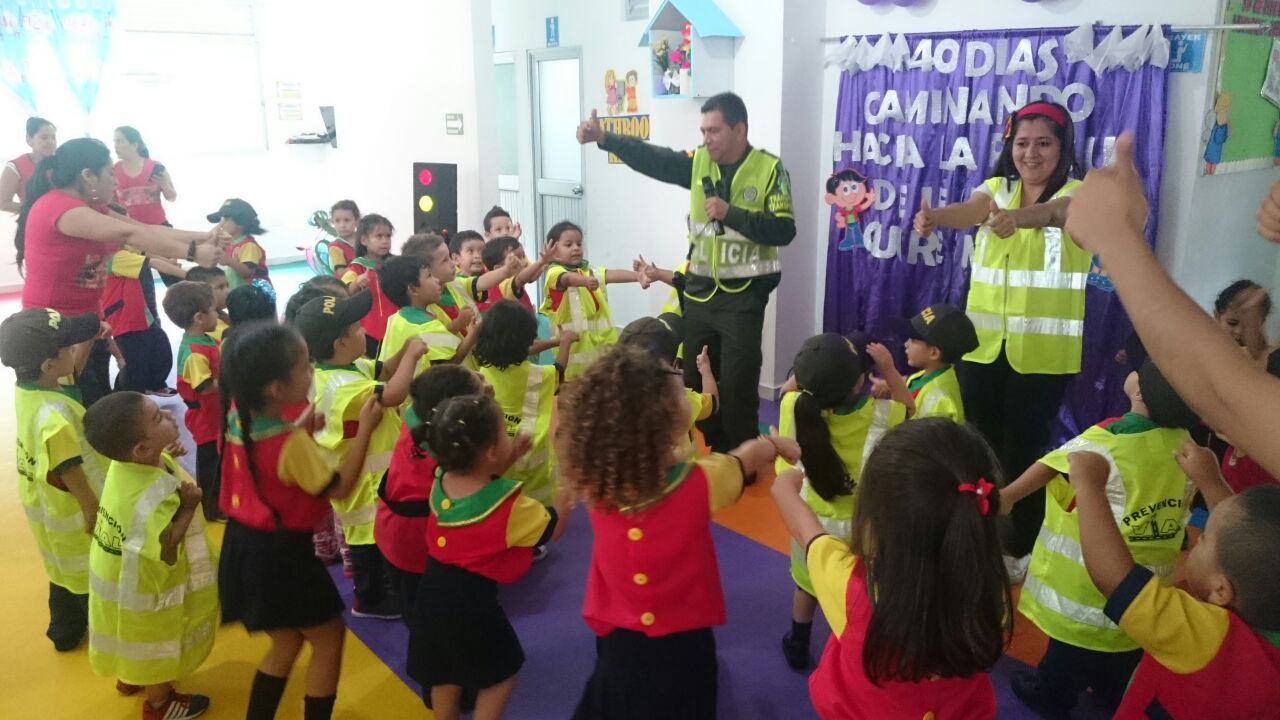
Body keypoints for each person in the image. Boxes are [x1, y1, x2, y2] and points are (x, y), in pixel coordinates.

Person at [557, 345, 801, 719]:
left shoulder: (596, 480)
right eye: (677, 387)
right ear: (666, 423)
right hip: (682, 642)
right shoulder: (701, 480)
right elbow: (751, 456)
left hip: (616, 637)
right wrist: (775, 444)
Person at [912, 100, 1087, 578]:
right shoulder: (995, 189)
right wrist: (934, 218)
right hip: (985, 348)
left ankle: (1019, 548)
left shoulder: (1080, 193)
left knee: (1026, 452)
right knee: (979, 444)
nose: (1031, 154)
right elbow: (970, 210)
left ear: (1062, 147)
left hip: (1045, 356)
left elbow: (1057, 213)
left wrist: (1018, 219)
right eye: (1022, 143)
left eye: (1044, 143)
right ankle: (977, 535)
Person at [578, 91, 797, 452]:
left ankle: (742, 457)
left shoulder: (770, 169)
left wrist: (732, 214)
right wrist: (606, 138)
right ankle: (708, 450)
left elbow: (784, 230)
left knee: (738, 383)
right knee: (697, 380)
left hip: (743, 299)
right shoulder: (697, 162)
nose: (706, 138)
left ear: (739, 130)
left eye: (714, 131)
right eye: (703, 130)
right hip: (698, 296)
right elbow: (656, 159)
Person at [773, 418, 1010, 718]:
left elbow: (801, 522)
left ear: (874, 523)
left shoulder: (851, 586)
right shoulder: (987, 593)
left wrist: (787, 476)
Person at [1001, 360, 1199, 717]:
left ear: (1139, 392)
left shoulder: (1109, 439)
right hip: (1141, 596)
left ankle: (1050, 696)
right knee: (1121, 666)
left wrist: (1010, 496)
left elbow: (1054, 464)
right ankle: (1114, 698)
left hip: (1085, 594)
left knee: (1065, 661)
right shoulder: (1187, 447)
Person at [216, 322, 384, 720]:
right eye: (305, 367)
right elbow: (339, 487)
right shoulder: (290, 445)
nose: (310, 372)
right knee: (328, 638)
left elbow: (275, 445)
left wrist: (303, 425)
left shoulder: (238, 413)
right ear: (276, 389)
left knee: (286, 642)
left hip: (242, 547)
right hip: (283, 558)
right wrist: (365, 429)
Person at [1067, 448, 1280, 717]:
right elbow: (1249, 543)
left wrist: (1090, 486)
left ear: (1221, 590)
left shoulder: (1209, 638)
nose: (1197, 540)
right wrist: (1210, 481)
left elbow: (1116, 579)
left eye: (1202, 538)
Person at [16, 138, 221, 405]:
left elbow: (144, 228)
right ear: (88, 176)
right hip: (56, 331)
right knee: (76, 407)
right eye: (110, 173)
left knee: (95, 400)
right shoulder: (61, 208)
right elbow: (131, 234)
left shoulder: (89, 208)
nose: (116, 181)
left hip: (88, 325)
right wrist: (193, 252)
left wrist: (206, 237)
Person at [408, 394, 573, 718]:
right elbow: (551, 530)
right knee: (500, 676)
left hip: (429, 598)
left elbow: (477, 481)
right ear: (490, 451)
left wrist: (506, 459)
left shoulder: (442, 478)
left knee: (443, 673)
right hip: (472, 607)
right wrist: (565, 489)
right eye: (503, 434)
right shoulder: (508, 505)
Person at [773, 333, 910, 670]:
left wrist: (803, 373)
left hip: (809, 522)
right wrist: (890, 370)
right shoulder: (882, 414)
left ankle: (798, 644)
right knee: (860, 591)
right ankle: (855, 649)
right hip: (864, 525)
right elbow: (909, 406)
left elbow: (787, 391)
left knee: (807, 586)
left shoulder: (793, 407)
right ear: (858, 384)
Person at [83, 392, 217, 720]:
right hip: (145, 587)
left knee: (125, 631)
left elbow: (150, 473)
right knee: (152, 642)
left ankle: (130, 676)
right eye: (158, 418)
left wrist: (163, 453)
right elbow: (168, 542)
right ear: (141, 449)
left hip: (117, 574)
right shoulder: (151, 497)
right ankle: (159, 702)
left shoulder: (126, 464)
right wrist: (189, 505)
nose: (169, 417)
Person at [296, 291, 424, 620]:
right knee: (367, 539)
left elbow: (384, 368)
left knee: (371, 536)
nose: (363, 329)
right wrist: (412, 356)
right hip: (363, 481)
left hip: (367, 474)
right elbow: (393, 393)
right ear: (339, 344)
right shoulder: (343, 385)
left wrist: (404, 350)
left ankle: (378, 592)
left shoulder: (342, 368)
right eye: (355, 327)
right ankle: (369, 600)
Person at [0, 308, 106, 652]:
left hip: (44, 506)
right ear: (48, 365)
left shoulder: (29, 390)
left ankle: (64, 632)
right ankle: (107, 637)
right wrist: (92, 508)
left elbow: (72, 364)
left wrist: (89, 335)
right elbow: (68, 466)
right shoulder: (54, 417)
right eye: (68, 346)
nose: (74, 349)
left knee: (61, 572)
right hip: (75, 511)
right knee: (90, 576)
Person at [375, 365, 489, 617]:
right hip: (425, 541)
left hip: (390, 530)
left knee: (413, 607)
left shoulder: (414, 416)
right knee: (443, 613)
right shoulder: (455, 449)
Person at [473, 299, 575, 509]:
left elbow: (510, 349)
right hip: (533, 464)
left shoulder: (481, 373)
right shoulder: (541, 375)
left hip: (497, 457)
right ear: (527, 340)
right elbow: (560, 368)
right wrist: (564, 342)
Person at [538, 220, 648, 379]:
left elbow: (611, 275)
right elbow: (567, 279)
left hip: (602, 355)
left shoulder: (589, 271)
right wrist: (584, 282)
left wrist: (638, 276)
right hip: (573, 360)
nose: (576, 248)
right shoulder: (553, 272)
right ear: (554, 252)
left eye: (579, 244)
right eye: (568, 245)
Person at [163, 282, 225, 522]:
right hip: (205, 417)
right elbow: (204, 385)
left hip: (214, 413)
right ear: (199, 317)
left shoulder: (204, 341)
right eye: (213, 310)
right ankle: (212, 507)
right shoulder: (195, 353)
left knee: (218, 456)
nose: (217, 314)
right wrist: (233, 381)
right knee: (210, 462)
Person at [617, 314, 717, 459]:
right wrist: (705, 369)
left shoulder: (609, 406)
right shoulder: (682, 401)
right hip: (684, 477)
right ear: (671, 367)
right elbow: (713, 401)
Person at [378, 254, 477, 374]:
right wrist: (472, 335)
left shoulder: (396, 318)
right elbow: (447, 365)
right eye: (429, 276)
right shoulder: (426, 325)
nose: (436, 280)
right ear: (413, 289)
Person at [102, 245, 176, 395]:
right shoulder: (115, 257)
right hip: (125, 320)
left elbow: (147, 252)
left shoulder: (125, 249)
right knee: (134, 364)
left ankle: (153, 384)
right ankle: (125, 396)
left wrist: (170, 260)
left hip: (141, 316)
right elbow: (151, 262)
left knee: (159, 348)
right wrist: (188, 274)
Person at [901, 303, 979, 422]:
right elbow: (909, 383)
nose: (906, 344)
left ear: (934, 353)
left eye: (913, 340)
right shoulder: (928, 374)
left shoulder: (940, 401)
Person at [340, 213, 396, 357]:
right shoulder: (357, 267)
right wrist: (357, 283)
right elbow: (344, 292)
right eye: (379, 236)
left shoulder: (395, 264)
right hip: (369, 329)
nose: (385, 241)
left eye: (388, 236)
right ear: (364, 240)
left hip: (395, 325)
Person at [207, 198, 271, 292]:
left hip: (255, 297)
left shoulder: (248, 245)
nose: (221, 224)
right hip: (239, 293)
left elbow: (248, 272)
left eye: (226, 220)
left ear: (241, 223)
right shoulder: (231, 243)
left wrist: (229, 261)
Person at [481, 235, 552, 314]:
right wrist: (539, 263)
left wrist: (541, 267)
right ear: (498, 268)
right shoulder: (503, 284)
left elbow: (531, 278)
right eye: (517, 258)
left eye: (523, 256)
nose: (525, 262)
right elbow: (521, 279)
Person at [2, 117, 56, 213]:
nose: (51, 142)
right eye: (44, 138)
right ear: (29, 139)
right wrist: (38, 211)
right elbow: (3, 203)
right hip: (34, 224)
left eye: (53, 137)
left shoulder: (62, 163)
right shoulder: (16, 166)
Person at [1212, 279, 1271, 363]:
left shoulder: (1267, 358)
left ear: (1261, 324)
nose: (1239, 331)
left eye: (1249, 325)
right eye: (1232, 323)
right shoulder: (1205, 348)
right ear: (1217, 316)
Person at [185, 266, 233, 341]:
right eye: (220, 287)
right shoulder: (210, 327)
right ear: (203, 293)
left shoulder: (221, 315)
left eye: (227, 285)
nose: (228, 291)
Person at [327, 199, 361, 276]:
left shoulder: (365, 239)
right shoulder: (335, 247)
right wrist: (363, 267)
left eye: (347, 220)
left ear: (357, 221)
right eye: (337, 221)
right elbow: (341, 273)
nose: (342, 225)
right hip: (349, 284)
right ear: (332, 222)